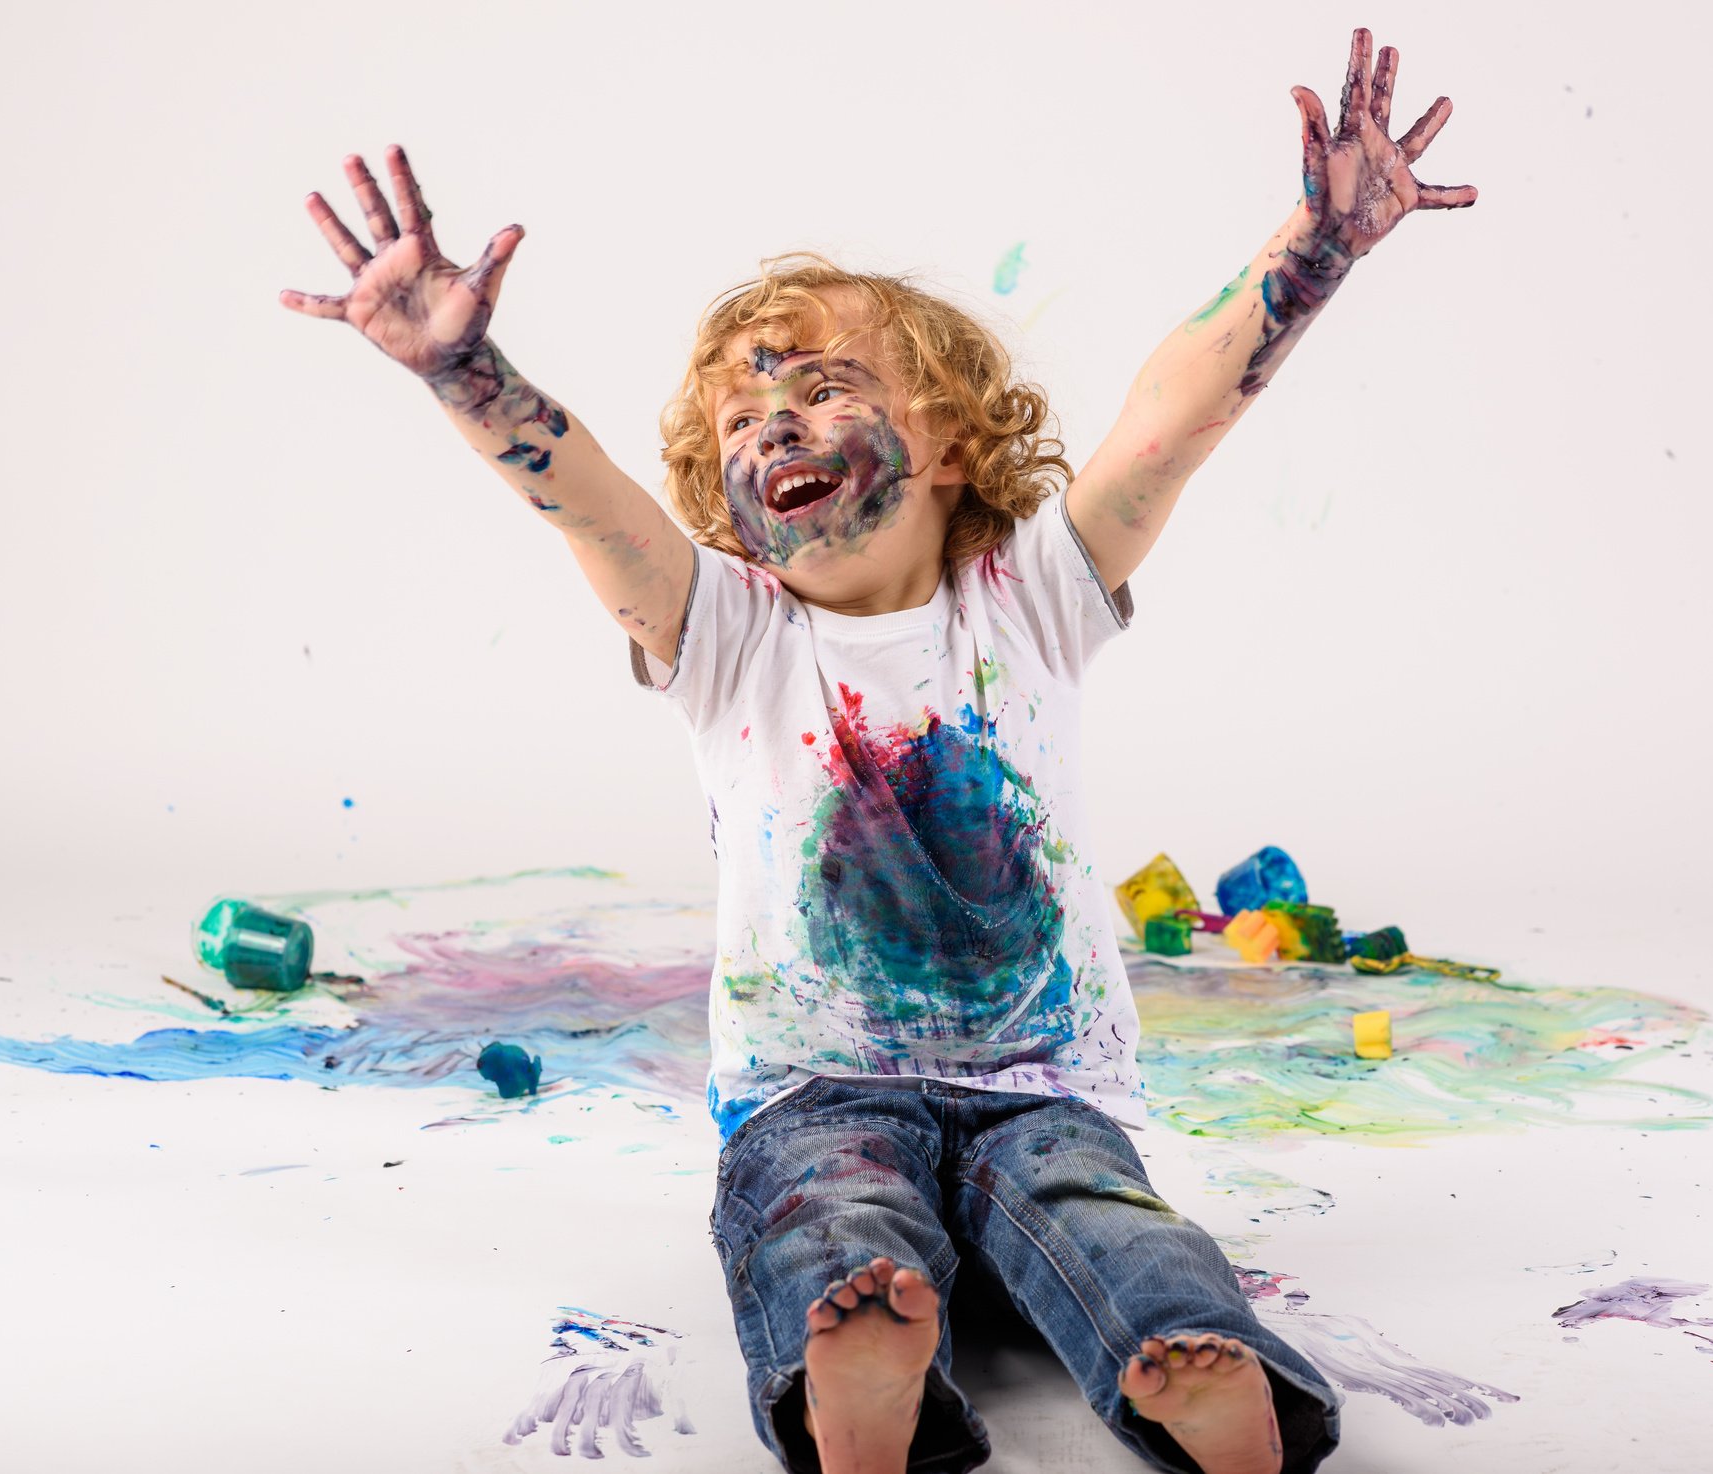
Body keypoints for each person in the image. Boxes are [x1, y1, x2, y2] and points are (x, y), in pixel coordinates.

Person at [278, 27, 1475, 1474]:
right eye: (738, 412)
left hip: (1048, 1086)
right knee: (816, 1215)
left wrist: (1316, 250)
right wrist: (465, 370)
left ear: (954, 443)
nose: (773, 415)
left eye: (824, 381)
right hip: (813, 1087)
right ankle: (864, 1358)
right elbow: (589, 506)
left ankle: (1186, 1363)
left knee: (1109, 1219)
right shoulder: (724, 635)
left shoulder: (1029, 600)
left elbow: (1169, 427)